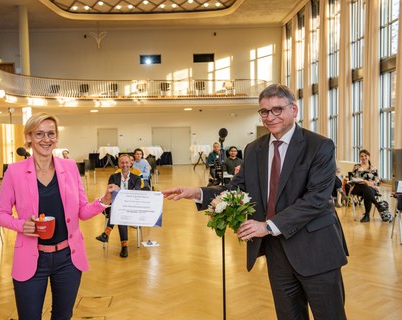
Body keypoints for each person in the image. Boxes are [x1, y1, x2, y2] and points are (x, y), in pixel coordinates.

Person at [163, 84, 348, 320]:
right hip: (277, 252)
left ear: (294, 110)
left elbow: (315, 201)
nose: (270, 117)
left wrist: (267, 226)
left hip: (316, 249)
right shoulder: (254, 149)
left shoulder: (319, 146)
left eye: (277, 110)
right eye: (264, 111)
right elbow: (236, 189)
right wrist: (197, 192)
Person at [0, 113, 115, 319]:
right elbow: (1, 214)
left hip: (67, 259)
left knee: (63, 316)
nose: (46, 139)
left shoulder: (69, 168)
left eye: (51, 134)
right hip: (32, 258)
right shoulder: (14, 172)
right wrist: (21, 225)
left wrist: (104, 200)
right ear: (29, 137)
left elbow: (82, 212)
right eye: (39, 134)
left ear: (57, 137)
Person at [95, 154, 142, 258]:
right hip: (114, 205)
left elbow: (136, 193)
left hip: (130, 206)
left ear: (131, 163)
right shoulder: (113, 177)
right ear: (119, 164)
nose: (124, 165)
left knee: (120, 211)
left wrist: (120, 191)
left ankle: (106, 233)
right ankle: (124, 247)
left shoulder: (136, 178)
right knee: (118, 210)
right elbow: (110, 192)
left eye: (126, 162)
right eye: (122, 162)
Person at [345, 149, 385, 222]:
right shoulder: (356, 166)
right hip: (358, 187)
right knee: (366, 188)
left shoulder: (374, 168)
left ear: (368, 157)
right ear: (360, 158)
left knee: (367, 191)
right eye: (361, 156)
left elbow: (377, 180)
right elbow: (353, 178)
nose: (364, 157)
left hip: (371, 188)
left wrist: (371, 183)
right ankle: (377, 205)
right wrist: (366, 182)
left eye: (365, 156)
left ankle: (367, 216)